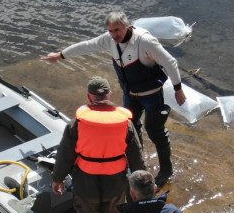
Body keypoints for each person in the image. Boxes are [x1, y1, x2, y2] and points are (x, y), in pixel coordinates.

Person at [42, 11, 186, 188]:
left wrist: (178, 90)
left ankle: (166, 169)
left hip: (151, 94)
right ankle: (138, 168)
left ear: (127, 26)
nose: (114, 35)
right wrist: (60, 55)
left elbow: (170, 62)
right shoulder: (109, 40)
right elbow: (87, 46)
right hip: (130, 94)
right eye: (110, 31)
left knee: (155, 130)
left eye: (117, 30)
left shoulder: (145, 41)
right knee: (130, 130)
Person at [51, 76, 145, 213]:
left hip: (86, 186)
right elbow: (137, 159)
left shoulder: (77, 123)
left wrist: (57, 179)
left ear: (89, 97)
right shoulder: (125, 124)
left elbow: (65, 155)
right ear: (109, 95)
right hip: (115, 186)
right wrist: (143, 189)